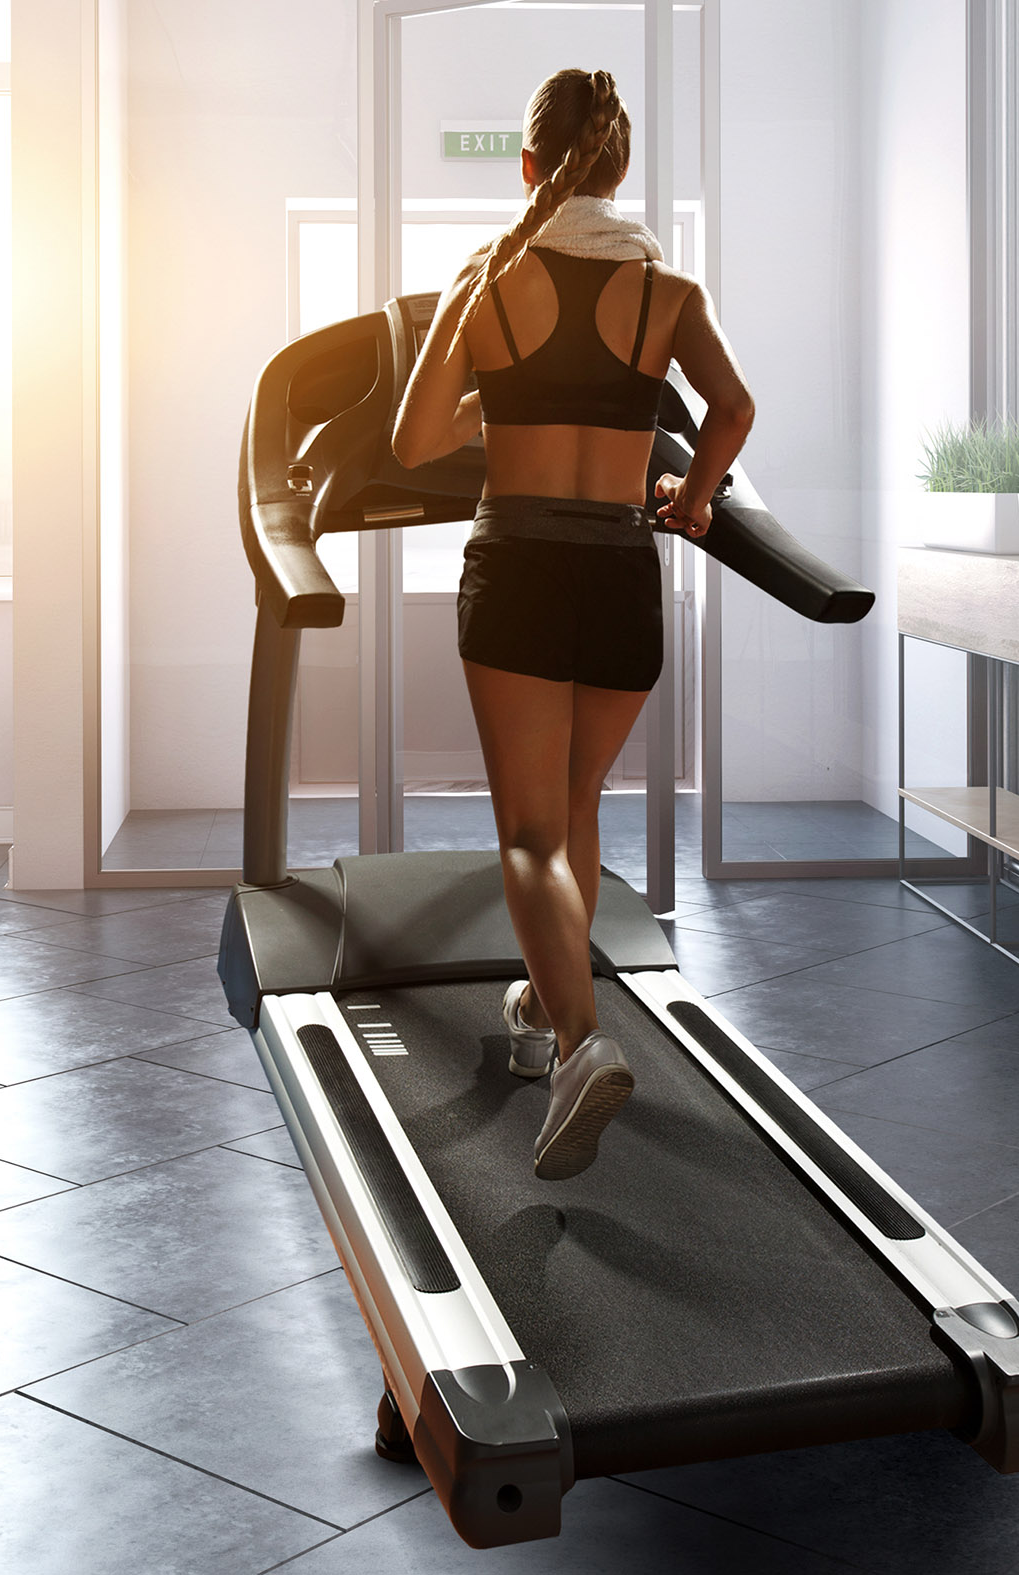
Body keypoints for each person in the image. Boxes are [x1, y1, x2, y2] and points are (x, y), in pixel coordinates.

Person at [387, 67, 755, 1181]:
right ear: (620, 169)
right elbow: (732, 412)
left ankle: (584, 1042)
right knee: (578, 808)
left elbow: (410, 444)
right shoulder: (670, 294)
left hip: (521, 570)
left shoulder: (488, 283)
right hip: (621, 575)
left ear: (531, 167)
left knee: (528, 835)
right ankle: (555, 1005)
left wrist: (488, 405)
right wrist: (692, 498)